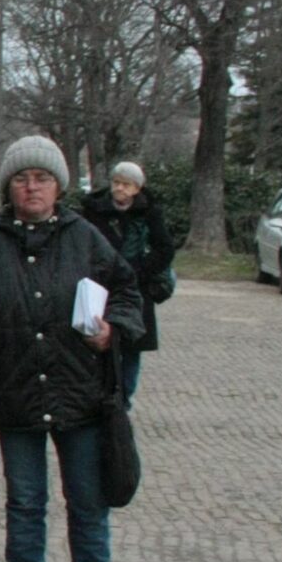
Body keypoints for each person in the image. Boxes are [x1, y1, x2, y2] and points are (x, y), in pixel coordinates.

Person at [0, 136, 143, 562]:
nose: (32, 187)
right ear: (9, 187)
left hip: (80, 392)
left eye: (43, 178)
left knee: (87, 500)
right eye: (22, 179)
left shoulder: (87, 238)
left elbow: (126, 291)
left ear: (59, 187)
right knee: (25, 501)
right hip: (14, 392)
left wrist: (112, 329)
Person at [81, 160, 176, 407]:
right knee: (97, 342)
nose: (120, 189)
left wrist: (141, 271)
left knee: (131, 347)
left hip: (137, 287)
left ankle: (123, 401)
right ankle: (101, 396)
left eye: (126, 185)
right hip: (100, 286)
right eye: (116, 183)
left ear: (137, 189)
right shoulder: (94, 210)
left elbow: (164, 248)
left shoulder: (150, 212)